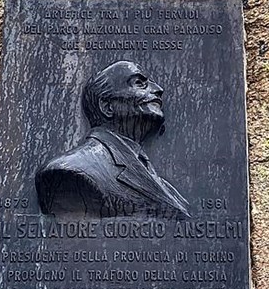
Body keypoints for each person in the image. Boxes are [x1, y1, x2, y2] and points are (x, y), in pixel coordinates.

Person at [35, 61, 190, 218]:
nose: (158, 90)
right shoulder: (70, 171)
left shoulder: (162, 183)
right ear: (107, 106)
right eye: (139, 83)